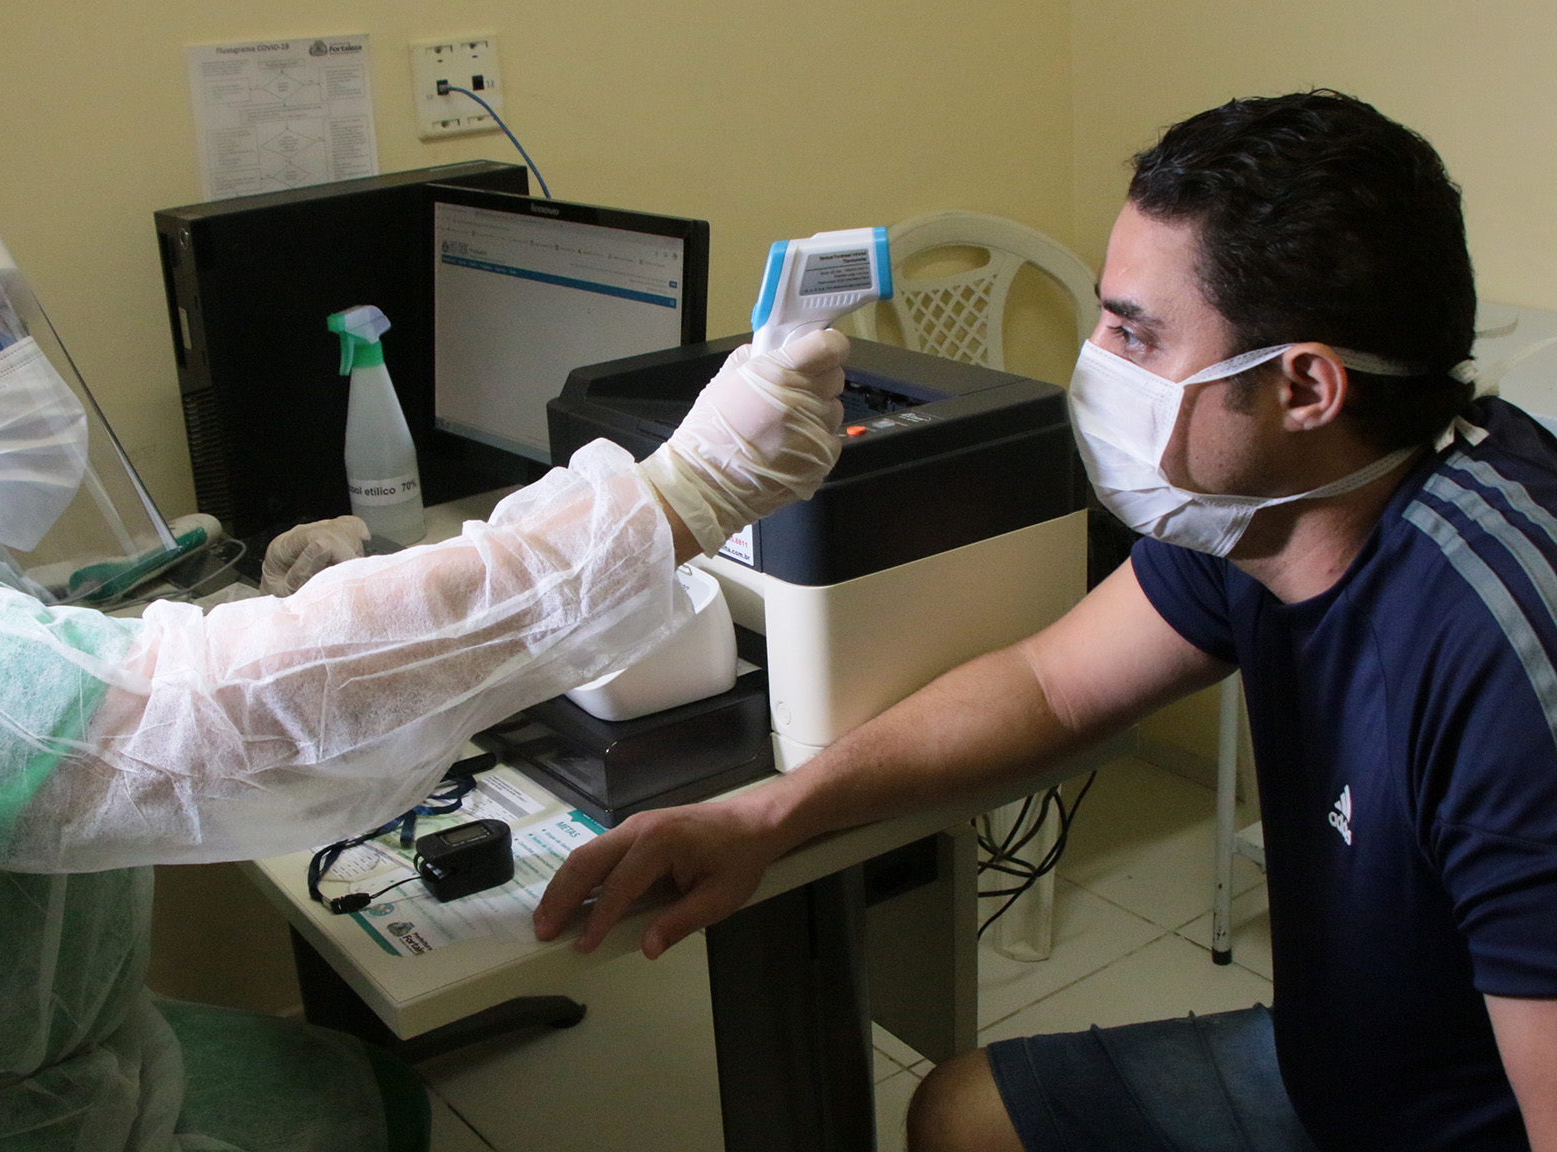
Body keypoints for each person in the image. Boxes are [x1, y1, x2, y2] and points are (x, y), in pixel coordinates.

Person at [0, 176, 851, 1151]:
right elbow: (214, 712)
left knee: (350, 1083)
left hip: (2, 1062)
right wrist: (677, 499)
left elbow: (27, 648)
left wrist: (212, 571)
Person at [533, 91, 1557, 1152]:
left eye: (1134, 332)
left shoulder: (1504, 662)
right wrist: (771, 817)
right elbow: (1048, 683)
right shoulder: (1264, 519)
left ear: (1305, 387)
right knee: (963, 1116)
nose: (1096, 357)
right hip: (1342, 1073)